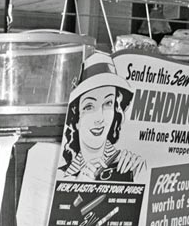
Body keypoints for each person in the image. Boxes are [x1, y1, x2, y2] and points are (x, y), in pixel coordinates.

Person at [59, 52, 146, 183]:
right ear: (76, 117)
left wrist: (141, 177)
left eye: (108, 103)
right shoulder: (61, 174)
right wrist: (78, 185)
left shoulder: (131, 166)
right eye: (89, 106)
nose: (99, 118)